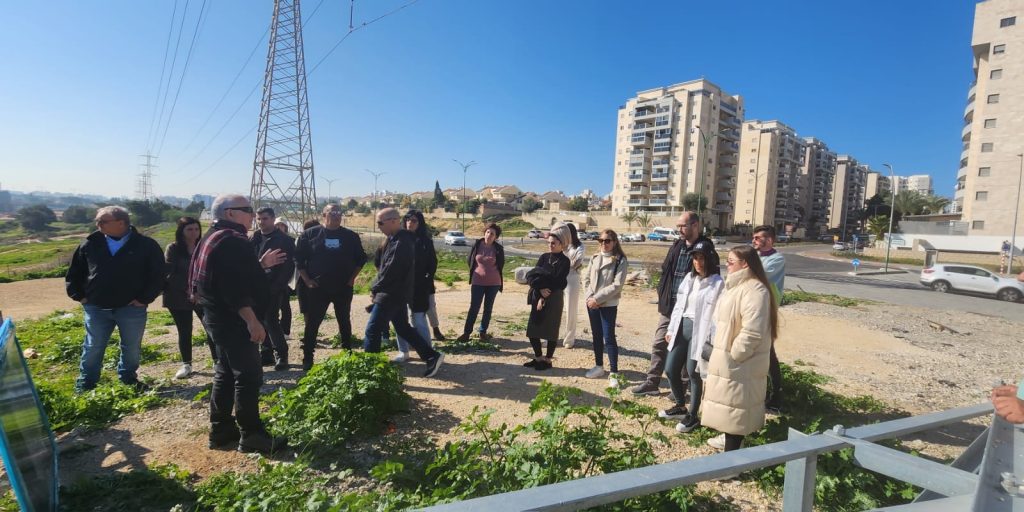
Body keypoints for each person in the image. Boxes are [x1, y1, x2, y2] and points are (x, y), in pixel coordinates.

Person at [190, 194, 288, 454]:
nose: (252, 214)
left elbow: (223, 274)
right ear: (230, 213)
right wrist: (252, 321)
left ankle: (221, 429)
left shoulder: (213, 235)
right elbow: (233, 288)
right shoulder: (233, 241)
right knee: (248, 376)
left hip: (216, 317)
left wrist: (260, 265)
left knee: (224, 371)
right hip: (234, 319)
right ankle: (252, 434)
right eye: (247, 209)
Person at [66, 206, 165, 392]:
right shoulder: (90, 243)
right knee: (93, 346)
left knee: (131, 347)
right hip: (96, 307)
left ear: (121, 223)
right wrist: (80, 296)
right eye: (97, 221)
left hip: (131, 308)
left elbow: (158, 275)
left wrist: (144, 299)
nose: (97, 225)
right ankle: (86, 383)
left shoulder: (145, 245)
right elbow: (75, 273)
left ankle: (128, 378)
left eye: (102, 221)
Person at [701, 245, 778, 452]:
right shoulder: (738, 286)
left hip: (739, 362)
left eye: (731, 261)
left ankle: (731, 464)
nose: (727, 265)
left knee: (736, 407)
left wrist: (735, 355)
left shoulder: (755, 290)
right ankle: (728, 441)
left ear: (745, 264)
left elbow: (752, 331)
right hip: (729, 359)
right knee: (731, 406)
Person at [631, 211, 713, 396]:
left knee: (685, 349)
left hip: (690, 310)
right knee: (660, 343)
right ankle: (652, 382)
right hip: (670, 306)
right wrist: (662, 293)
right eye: (678, 226)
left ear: (695, 225)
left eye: (683, 226)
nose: (679, 229)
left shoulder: (705, 247)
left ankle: (681, 388)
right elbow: (666, 271)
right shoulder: (676, 245)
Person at [364, 208, 445, 377]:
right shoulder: (395, 240)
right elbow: (383, 266)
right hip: (396, 293)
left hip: (391, 294)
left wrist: (375, 288)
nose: (378, 226)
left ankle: (369, 373)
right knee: (402, 327)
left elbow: (390, 271)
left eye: (380, 222)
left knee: (372, 330)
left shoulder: (402, 242)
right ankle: (431, 356)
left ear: (393, 221)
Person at [660, 241, 723, 434]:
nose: (698, 262)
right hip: (682, 327)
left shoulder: (717, 283)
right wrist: (671, 330)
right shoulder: (689, 278)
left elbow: (716, 314)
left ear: (710, 259)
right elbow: (679, 305)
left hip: (701, 331)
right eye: (695, 258)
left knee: (693, 372)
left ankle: (693, 416)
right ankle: (680, 405)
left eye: (702, 258)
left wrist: (711, 340)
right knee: (670, 369)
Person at [294, 204, 367, 370]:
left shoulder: (350, 236)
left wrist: (352, 279)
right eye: (332, 213)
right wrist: (307, 280)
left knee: (344, 321)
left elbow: (361, 259)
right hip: (318, 288)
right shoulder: (310, 234)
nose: (336, 215)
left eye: (339, 213)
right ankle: (308, 358)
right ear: (323, 215)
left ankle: (347, 352)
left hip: (343, 287)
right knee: (312, 323)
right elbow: (298, 260)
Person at [163, 217, 217, 379]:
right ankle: (187, 364)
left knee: (211, 328)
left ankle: (217, 361)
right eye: (189, 229)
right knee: (185, 330)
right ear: (181, 231)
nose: (194, 233)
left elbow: (210, 270)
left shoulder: (203, 246)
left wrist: (198, 291)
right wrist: (189, 290)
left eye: (196, 229)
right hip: (178, 295)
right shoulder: (173, 248)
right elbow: (171, 273)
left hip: (202, 295)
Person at [250, 207, 295, 371]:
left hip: (274, 287)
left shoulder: (284, 240)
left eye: (265, 218)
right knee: (258, 320)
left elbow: (288, 267)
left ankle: (281, 355)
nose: (261, 222)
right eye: (259, 219)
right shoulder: (254, 238)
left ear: (273, 219)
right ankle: (266, 353)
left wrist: (276, 287)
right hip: (255, 287)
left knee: (271, 321)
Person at [582, 229, 628, 387]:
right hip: (592, 303)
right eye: (601, 240)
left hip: (608, 304)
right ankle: (599, 366)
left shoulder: (620, 260)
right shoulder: (595, 257)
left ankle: (613, 371)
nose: (603, 244)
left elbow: (617, 285)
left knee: (609, 337)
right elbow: (586, 278)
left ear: (614, 242)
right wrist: (589, 297)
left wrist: (597, 299)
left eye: (607, 241)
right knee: (596, 335)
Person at [523, 224, 571, 371]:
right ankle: (538, 358)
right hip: (539, 295)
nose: (550, 245)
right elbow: (532, 275)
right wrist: (540, 288)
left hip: (554, 298)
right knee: (533, 329)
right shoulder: (544, 257)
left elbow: (558, 280)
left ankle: (548, 360)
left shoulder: (564, 261)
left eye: (553, 243)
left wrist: (544, 287)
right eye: (549, 243)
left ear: (562, 244)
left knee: (550, 330)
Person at [393, 210, 438, 363]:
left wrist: (426, 280)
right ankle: (403, 351)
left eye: (414, 220)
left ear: (420, 223)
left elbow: (432, 264)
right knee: (400, 319)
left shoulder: (425, 242)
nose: (410, 223)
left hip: (419, 287)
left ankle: (428, 351)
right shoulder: (397, 239)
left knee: (418, 319)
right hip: (399, 287)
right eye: (408, 220)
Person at [752, 225, 785, 412]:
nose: (754, 241)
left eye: (759, 238)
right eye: (754, 237)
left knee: (768, 354)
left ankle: (776, 396)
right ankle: (760, 393)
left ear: (770, 240)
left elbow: (757, 276)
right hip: (752, 310)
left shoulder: (776, 259)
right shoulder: (755, 257)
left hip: (766, 311)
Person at [458, 223, 505, 343]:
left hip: (494, 283)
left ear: (496, 237)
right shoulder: (477, 244)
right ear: (484, 233)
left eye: (492, 234)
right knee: (474, 307)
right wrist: (476, 272)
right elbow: (470, 260)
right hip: (477, 281)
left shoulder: (498, 249)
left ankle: (482, 332)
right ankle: (466, 333)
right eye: (488, 232)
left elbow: (501, 264)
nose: (489, 235)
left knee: (488, 308)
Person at [561, 223, 585, 349]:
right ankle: (550, 337)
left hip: (572, 278)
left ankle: (569, 339)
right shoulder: (562, 245)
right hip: (559, 277)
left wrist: (564, 263)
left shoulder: (579, 246)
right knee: (554, 308)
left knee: (571, 309)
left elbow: (577, 262)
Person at [274, 219, 294, 339]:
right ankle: (274, 330)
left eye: (282, 225)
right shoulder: (269, 239)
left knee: (285, 306)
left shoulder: (290, 241)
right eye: (277, 225)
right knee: (272, 307)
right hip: (271, 278)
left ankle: (285, 331)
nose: (280, 227)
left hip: (286, 278)